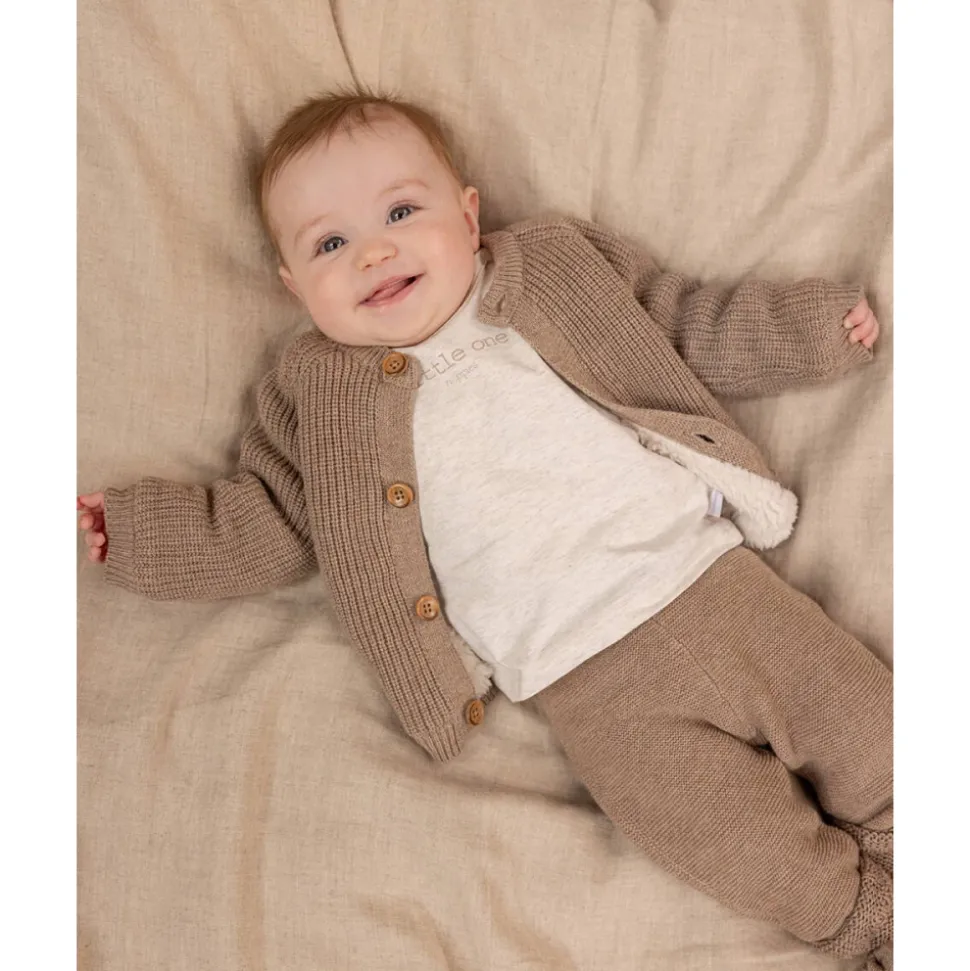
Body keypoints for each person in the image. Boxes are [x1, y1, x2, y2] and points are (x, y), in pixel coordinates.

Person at [78, 89, 892, 968]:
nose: (374, 251)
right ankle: (875, 922)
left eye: (400, 212)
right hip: (583, 682)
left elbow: (685, 327)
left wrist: (811, 332)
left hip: (713, 584)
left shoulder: (553, 272)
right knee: (729, 837)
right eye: (329, 244)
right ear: (292, 284)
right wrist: (140, 533)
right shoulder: (316, 396)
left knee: (871, 729)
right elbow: (270, 515)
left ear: (468, 217)